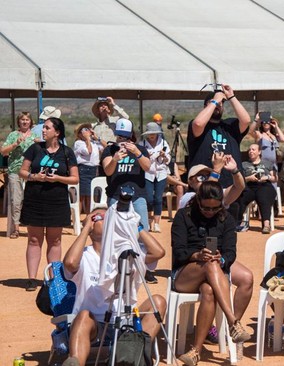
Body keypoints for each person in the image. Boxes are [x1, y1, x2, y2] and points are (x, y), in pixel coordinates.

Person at [60, 209, 166, 366]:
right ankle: (75, 362)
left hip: (126, 324)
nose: (107, 220)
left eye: (111, 218)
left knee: (158, 302)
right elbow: (70, 263)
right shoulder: (85, 255)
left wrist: (135, 226)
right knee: (83, 316)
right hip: (95, 324)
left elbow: (158, 252)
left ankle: (135, 354)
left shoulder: (127, 253)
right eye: (100, 217)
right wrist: (85, 228)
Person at [171, 181, 252, 366]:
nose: (209, 212)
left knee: (209, 290)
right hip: (185, 273)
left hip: (213, 270)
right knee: (209, 264)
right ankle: (233, 323)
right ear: (197, 201)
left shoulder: (227, 219)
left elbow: (231, 251)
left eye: (214, 208)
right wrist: (197, 255)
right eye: (205, 207)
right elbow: (178, 252)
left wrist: (222, 258)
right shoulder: (184, 216)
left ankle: (196, 351)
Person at [19, 117, 79, 291]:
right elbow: (22, 171)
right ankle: (32, 279)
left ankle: (53, 278)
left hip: (57, 201)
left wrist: (58, 178)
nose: (43, 130)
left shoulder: (67, 152)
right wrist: (33, 176)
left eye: (46, 128)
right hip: (34, 199)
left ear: (57, 132)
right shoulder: (35, 148)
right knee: (34, 239)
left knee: (55, 240)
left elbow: (74, 178)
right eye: (43, 128)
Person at [100, 118, 156, 283]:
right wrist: (115, 159)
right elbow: (108, 171)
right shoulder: (109, 150)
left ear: (131, 135)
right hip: (116, 196)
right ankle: (116, 269)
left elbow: (148, 167)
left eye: (125, 137)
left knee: (143, 234)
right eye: (120, 136)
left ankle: (144, 269)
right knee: (115, 233)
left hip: (137, 196)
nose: (122, 140)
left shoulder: (140, 149)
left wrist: (137, 153)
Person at [187, 85, 250, 191]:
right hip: (205, 187)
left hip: (232, 187)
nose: (218, 105)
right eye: (213, 102)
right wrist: (215, 101)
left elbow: (246, 120)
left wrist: (231, 97)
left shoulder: (230, 125)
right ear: (205, 107)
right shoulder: (198, 125)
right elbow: (198, 124)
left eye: (221, 103)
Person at [1, 112, 39, 239]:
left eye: (27, 119)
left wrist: (39, 144)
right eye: (22, 119)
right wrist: (15, 144)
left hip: (31, 171)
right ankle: (16, 228)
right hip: (15, 170)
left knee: (31, 199)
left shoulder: (35, 135)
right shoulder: (13, 135)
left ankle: (31, 227)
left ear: (30, 121)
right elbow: (3, 151)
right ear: (19, 121)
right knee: (16, 200)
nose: (25, 121)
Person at [237, 144, 278, 234]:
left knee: (264, 197)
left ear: (259, 152)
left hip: (264, 185)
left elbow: (275, 179)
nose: (251, 151)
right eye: (249, 150)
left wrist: (266, 177)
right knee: (241, 197)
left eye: (253, 149)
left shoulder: (267, 163)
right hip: (249, 186)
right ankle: (237, 223)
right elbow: (239, 179)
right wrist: (249, 178)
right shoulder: (244, 164)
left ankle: (266, 224)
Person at [139, 122, 171, 233]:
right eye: (150, 133)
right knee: (149, 198)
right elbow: (142, 159)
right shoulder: (142, 144)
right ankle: (148, 220)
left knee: (158, 198)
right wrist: (154, 156)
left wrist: (164, 156)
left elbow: (168, 160)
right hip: (148, 174)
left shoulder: (163, 143)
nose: (152, 135)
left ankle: (157, 223)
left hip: (161, 173)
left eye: (154, 133)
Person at [73, 123, 103, 213]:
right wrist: (87, 139)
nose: (87, 131)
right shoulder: (78, 143)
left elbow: (106, 148)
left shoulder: (94, 143)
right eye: (84, 130)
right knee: (83, 195)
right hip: (84, 169)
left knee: (92, 195)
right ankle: (79, 216)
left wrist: (97, 138)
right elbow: (88, 152)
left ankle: (88, 216)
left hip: (94, 170)